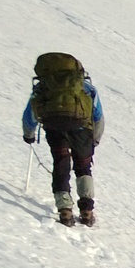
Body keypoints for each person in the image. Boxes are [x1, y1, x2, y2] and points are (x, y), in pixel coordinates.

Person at [22, 53, 105, 227]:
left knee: (61, 163)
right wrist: (95, 140)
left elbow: (30, 114)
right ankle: (87, 211)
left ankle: (65, 210)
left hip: (54, 127)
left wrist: (28, 135)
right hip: (82, 130)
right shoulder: (86, 88)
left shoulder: (43, 87)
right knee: (83, 167)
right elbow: (98, 116)